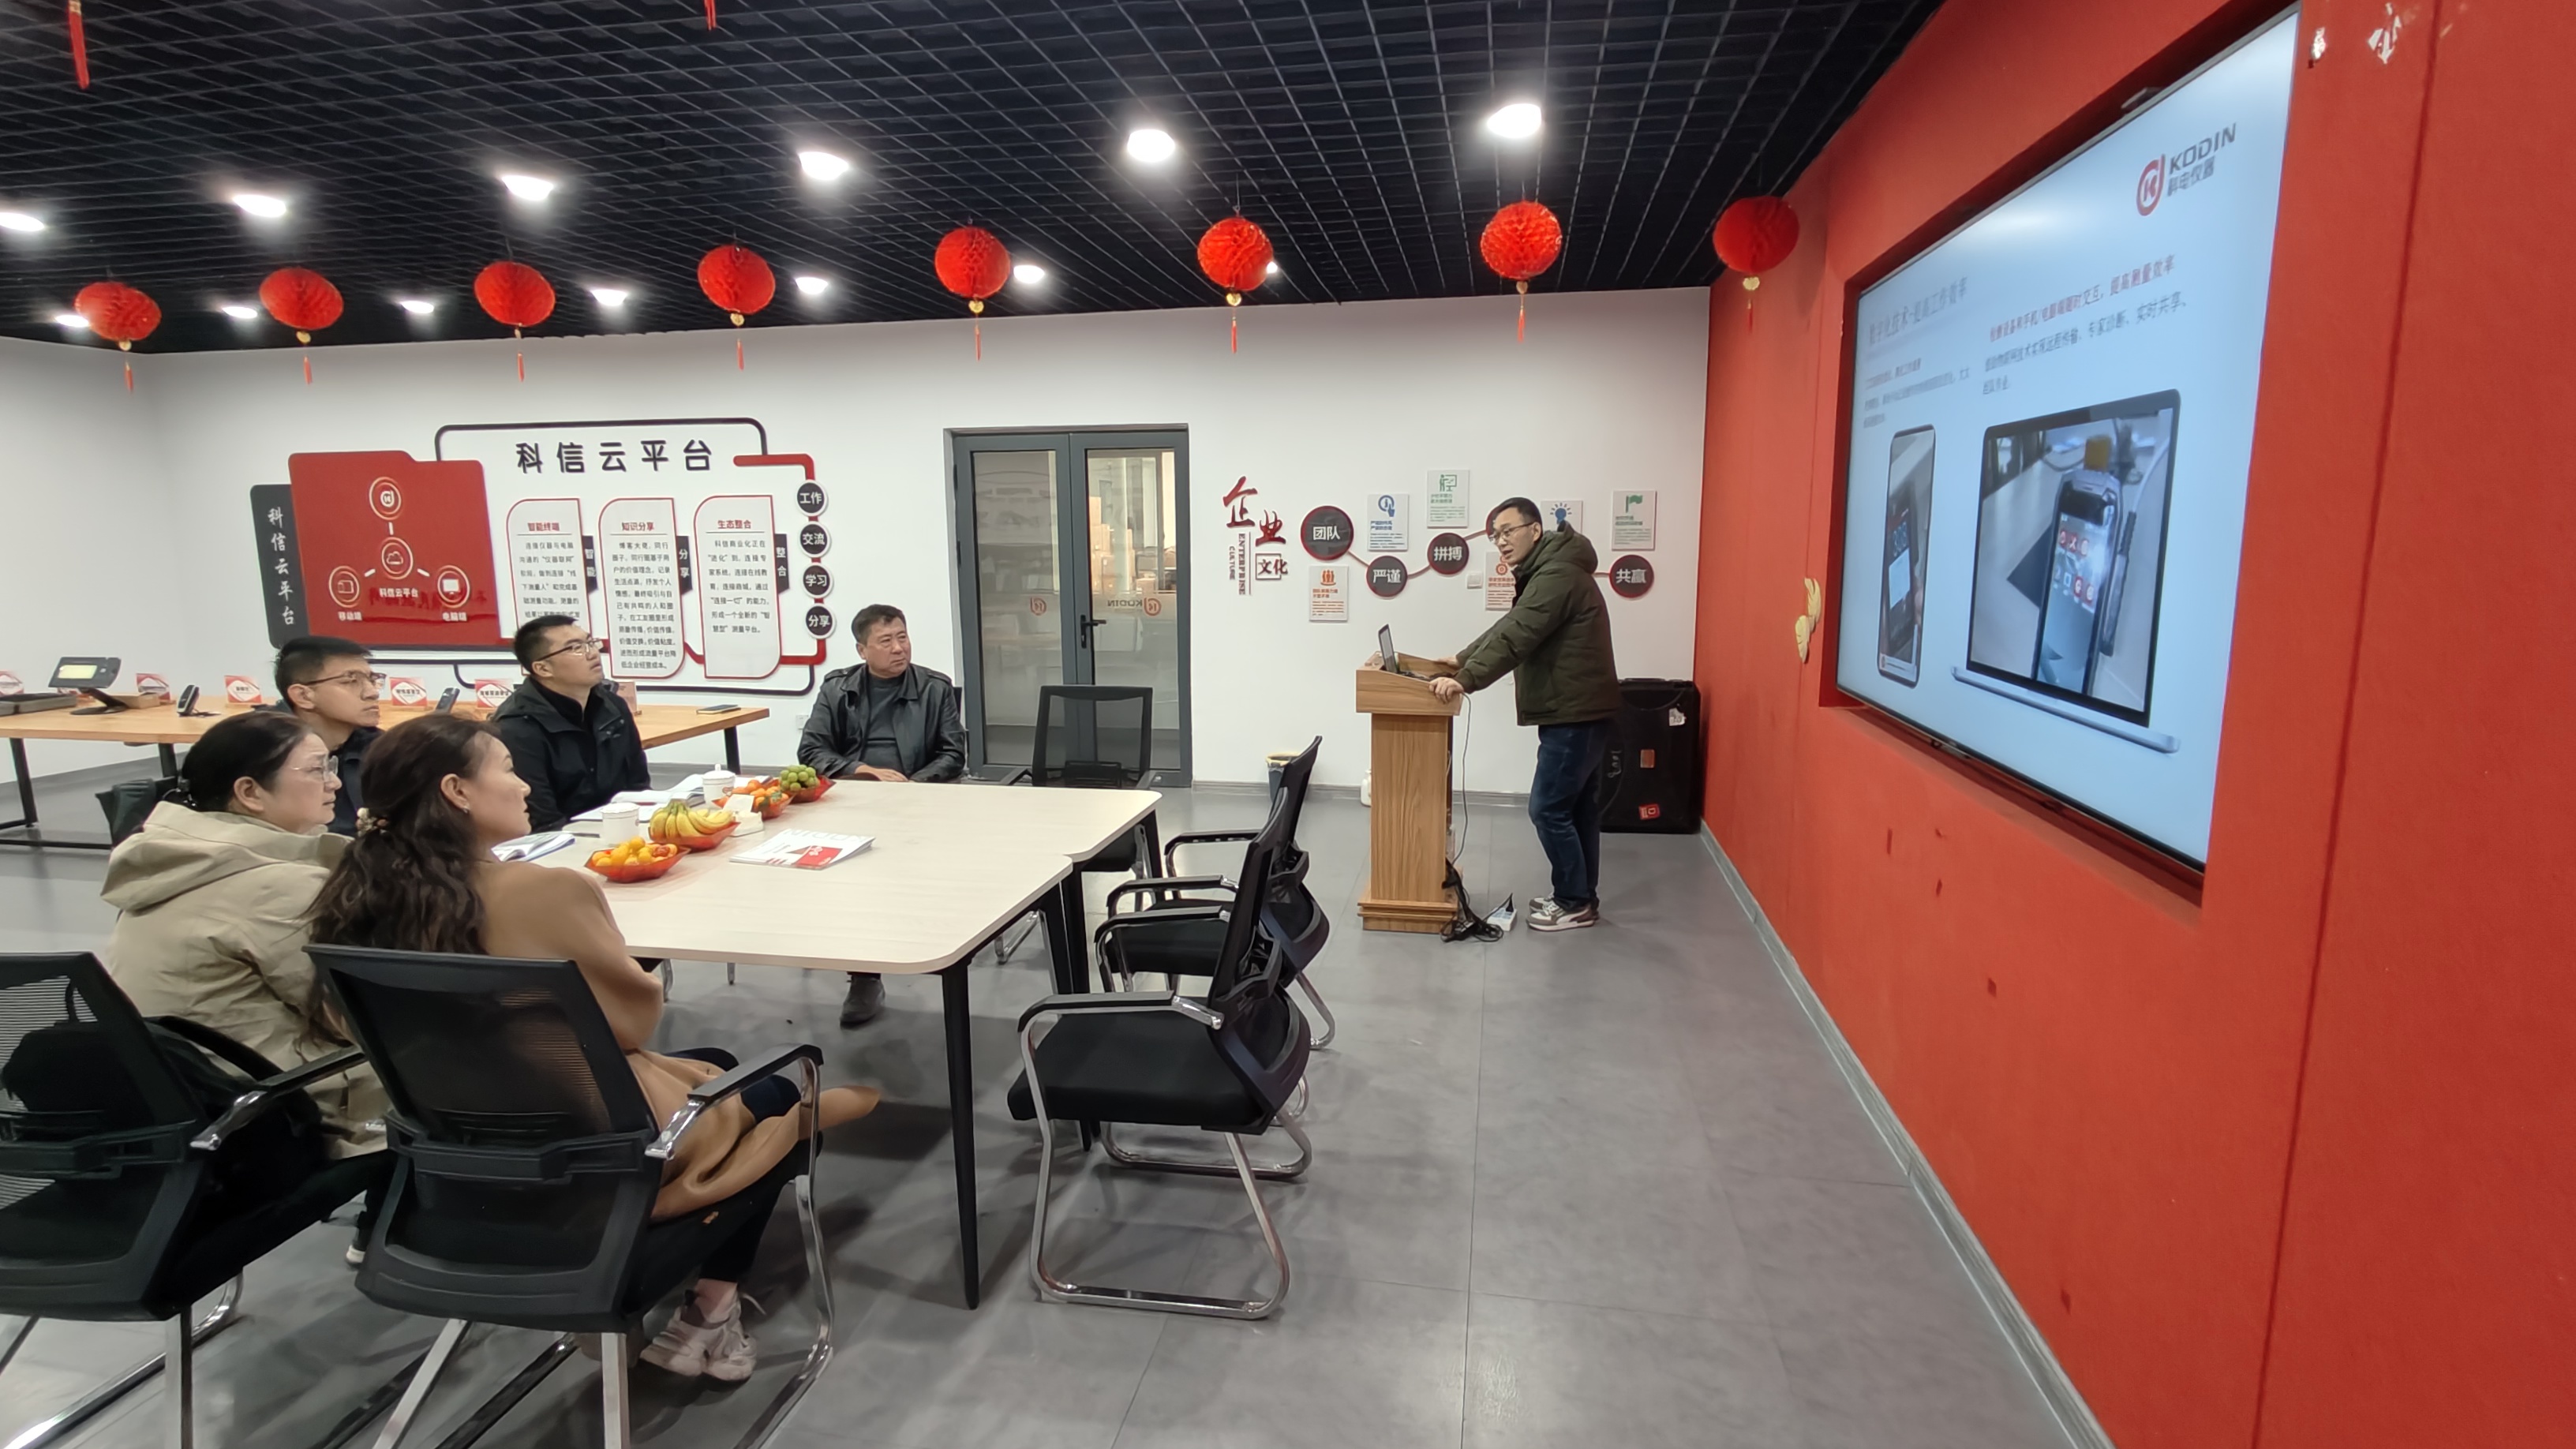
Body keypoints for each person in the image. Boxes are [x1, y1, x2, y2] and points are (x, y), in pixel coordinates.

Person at [308, 713, 880, 1382]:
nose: (524, 785)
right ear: (457, 792)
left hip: (457, 1156)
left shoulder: (353, 901)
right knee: (782, 1097)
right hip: (599, 1149)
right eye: (507, 769)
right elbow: (631, 1020)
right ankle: (711, 1308)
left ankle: (682, 1306)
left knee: (722, 1067)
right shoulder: (544, 891)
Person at [102, 710, 391, 1160]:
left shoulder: (172, 859)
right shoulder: (276, 886)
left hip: (182, 1104)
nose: (334, 782)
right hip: (271, 1111)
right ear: (250, 792)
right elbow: (357, 1016)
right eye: (317, 770)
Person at [1421, 497, 1622, 931]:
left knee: (1547, 809)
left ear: (1535, 530)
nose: (1501, 542)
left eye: (1508, 531)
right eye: (1495, 535)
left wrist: (1467, 678)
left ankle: (1573, 902)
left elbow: (1519, 633)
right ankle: (1580, 898)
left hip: (1575, 713)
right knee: (1577, 810)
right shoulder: (1552, 569)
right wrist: (1463, 658)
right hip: (1579, 709)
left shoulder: (1557, 574)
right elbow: (1510, 625)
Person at [797, 604, 967, 1027]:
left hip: (918, 803)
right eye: (886, 641)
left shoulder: (935, 688)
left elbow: (953, 754)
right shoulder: (838, 689)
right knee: (852, 884)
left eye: (903, 637)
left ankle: (933, 950)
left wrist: (912, 785)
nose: (898, 648)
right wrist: (861, 771)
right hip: (853, 801)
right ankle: (864, 976)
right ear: (862, 650)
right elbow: (811, 751)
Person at [490, 616, 650, 831]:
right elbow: (541, 819)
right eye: (575, 648)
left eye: (590, 642)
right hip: (560, 839)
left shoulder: (613, 706)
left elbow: (639, 787)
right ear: (543, 669)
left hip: (623, 829)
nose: (592, 653)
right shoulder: (517, 727)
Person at [274, 635, 382, 836]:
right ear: (303, 696)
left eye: (372, 680)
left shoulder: (382, 748)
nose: (372, 693)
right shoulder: (262, 752)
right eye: (350, 681)